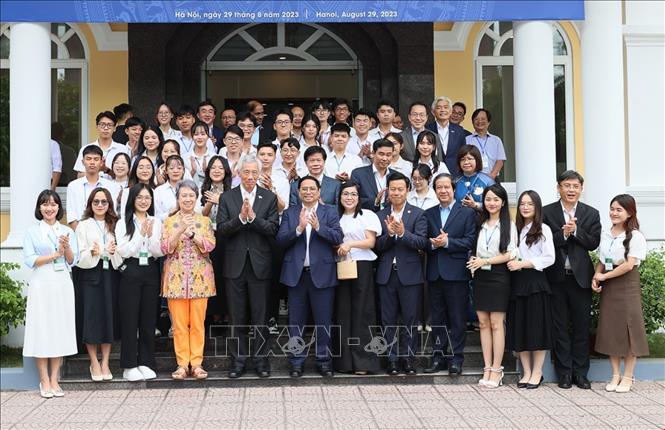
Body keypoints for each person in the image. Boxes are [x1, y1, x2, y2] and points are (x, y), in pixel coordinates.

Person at [217, 155, 279, 379]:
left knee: (260, 318)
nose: (250, 177)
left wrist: (253, 218)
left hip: (260, 265)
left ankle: (261, 361)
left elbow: (273, 228)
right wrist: (241, 219)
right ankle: (238, 361)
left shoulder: (269, 197)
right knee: (236, 317)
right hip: (234, 265)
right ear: (239, 173)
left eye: (254, 172)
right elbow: (222, 229)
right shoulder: (227, 197)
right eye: (247, 172)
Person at [277, 176, 343, 378]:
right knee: (296, 322)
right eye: (303, 189)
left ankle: (324, 361)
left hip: (322, 275)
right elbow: (280, 240)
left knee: (323, 321)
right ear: (298, 192)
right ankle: (296, 362)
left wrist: (318, 228)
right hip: (296, 275)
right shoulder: (290, 212)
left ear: (319, 191)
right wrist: (298, 228)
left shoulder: (329, 211)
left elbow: (338, 237)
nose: (307, 192)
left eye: (311, 189)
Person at [543, 170, 601, 390]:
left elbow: (593, 243)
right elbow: (542, 241)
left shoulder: (591, 213)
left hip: (580, 279)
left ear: (581, 189)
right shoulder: (547, 212)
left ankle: (581, 373)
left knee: (581, 326)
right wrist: (564, 234)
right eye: (566, 185)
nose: (571, 190)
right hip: (556, 277)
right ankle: (564, 373)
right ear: (559, 187)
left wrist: (576, 232)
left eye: (575, 186)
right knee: (559, 327)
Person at [23, 190, 78, 398]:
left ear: (58, 208)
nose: (49, 208)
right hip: (41, 282)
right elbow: (30, 259)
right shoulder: (32, 232)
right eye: (45, 204)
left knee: (59, 328)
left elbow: (73, 260)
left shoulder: (66, 231)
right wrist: (54, 254)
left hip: (62, 282)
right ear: (39, 207)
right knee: (42, 328)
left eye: (53, 204)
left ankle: (55, 378)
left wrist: (66, 247)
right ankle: (43, 380)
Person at [593, 194, 649, 393]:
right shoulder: (606, 233)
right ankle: (615, 375)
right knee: (611, 329)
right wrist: (596, 276)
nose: (614, 213)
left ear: (629, 212)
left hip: (626, 285)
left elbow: (628, 265)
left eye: (619, 210)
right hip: (608, 284)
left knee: (629, 330)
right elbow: (602, 259)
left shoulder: (635, 236)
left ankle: (628, 376)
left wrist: (605, 278)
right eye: (612, 208)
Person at [161, 180, 216, 380]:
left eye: (191, 195)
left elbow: (210, 246)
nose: (187, 199)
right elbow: (165, 248)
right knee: (179, 325)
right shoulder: (168, 221)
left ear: (196, 197)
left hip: (200, 279)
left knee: (198, 323)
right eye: (183, 195)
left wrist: (192, 234)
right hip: (175, 279)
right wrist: (179, 230)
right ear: (178, 198)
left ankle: (197, 363)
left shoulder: (204, 221)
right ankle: (182, 364)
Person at [375, 172, 428, 375]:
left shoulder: (418, 214)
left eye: (400, 189)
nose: (396, 192)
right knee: (387, 319)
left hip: (410, 275)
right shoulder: (380, 215)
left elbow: (422, 243)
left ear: (408, 190)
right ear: (387, 191)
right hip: (386, 274)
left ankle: (408, 359)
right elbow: (377, 246)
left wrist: (402, 233)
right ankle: (392, 360)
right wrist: (389, 234)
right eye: (393, 189)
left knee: (410, 319)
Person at [424, 173, 476, 377]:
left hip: (456, 273)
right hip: (435, 273)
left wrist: (447, 243)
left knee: (457, 319)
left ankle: (456, 359)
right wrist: (432, 243)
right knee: (437, 319)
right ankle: (437, 357)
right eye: (439, 187)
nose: (443, 191)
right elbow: (423, 241)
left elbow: (470, 241)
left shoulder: (466, 213)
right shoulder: (428, 214)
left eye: (447, 187)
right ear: (434, 190)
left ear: (454, 190)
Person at [467, 184, 517, 388]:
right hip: (480, 275)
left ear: (503, 202)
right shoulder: (481, 224)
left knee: (497, 323)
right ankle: (487, 367)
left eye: (496, 199)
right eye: (488, 199)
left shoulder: (509, 225)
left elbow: (511, 253)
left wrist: (485, 262)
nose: (492, 203)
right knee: (483, 324)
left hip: (498, 276)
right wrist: (475, 261)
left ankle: (497, 369)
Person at [506, 190, 555, 389]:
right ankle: (526, 372)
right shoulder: (515, 229)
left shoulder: (543, 229)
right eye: (522, 204)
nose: (525, 207)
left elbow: (549, 258)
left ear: (537, 207)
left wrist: (524, 264)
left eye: (530, 204)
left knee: (536, 329)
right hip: (517, 283)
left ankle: (537, 372)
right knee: (520, 329)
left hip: (535, 283)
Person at [115, 183, 163, 381]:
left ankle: (146, 362)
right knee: (129, 319)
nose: (144, 201)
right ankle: (129, 365)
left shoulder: (156, 221)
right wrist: (140, 235)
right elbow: (124, 251)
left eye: (147, 198)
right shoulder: (123, 223)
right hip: (131, 270)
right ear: (132, 200)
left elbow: (159, 251)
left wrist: (150, 238)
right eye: (140, 198)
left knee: (148, 319)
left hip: (150, 269)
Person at [334, 181, 382, 375]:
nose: (349, 198)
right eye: (345, 194)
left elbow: (371, 242)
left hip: (362, 265)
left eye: (353, 194)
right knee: (343, 312)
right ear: (339, 197)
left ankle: (364, 362)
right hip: (341, 265)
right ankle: (344, 362)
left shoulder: (367, 215)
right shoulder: (334, 216)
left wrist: (350, 244)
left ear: (359, 197)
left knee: (363, 312)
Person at [75, 187, 123, 382]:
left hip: (110, 274)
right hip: (91, 276)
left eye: (104, 202)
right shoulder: (83, 225)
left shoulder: (116, 225)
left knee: (109, 317)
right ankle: (94, 361)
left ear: (110, 204)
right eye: (96, 202)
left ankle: (105, 362)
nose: (100, 205)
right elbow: (79, 255)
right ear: (90, 204)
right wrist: (93, 253)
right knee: (92, 317)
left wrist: (112, 251)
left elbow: (122, 253)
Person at [200, 155, 232, 324]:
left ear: (226, 170)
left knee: (225, 274)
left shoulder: (233, 190)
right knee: (211, 275)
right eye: (213, 167)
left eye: (220, 167)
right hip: (207, 236)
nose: (217, 170)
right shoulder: (202, 188)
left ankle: (226, 311)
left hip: (226, 237)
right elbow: (200, 216)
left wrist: (222, 200)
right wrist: (211, 202)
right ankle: (213, 313)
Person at [66, 145, 121, 231]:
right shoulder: (73, 186)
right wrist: (81, 234)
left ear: (102, 162)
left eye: (96, 159)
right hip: (80, 233)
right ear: (82, 162)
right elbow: (71, 215)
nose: (92, 162)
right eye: (88, 159)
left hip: (106, 232)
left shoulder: (111, 186)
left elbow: (113, 212)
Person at [74, 111, 131, 178]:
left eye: (109, 125)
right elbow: (80, 175)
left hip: (116, 188)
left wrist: (106, 170)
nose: (106, 128)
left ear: (115, 128)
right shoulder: (85, 149)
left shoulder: (123, 149)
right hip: (92, 188)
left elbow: (128, 176)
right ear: (97, 126)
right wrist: (96, 170)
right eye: (102, 125)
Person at [350, 138, 395, 212]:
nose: (385, 158)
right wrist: (375, 201)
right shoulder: (358, 174)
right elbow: (352, 198)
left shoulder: (396, 175)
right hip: (365, 217)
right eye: (381, 154)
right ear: (373, 153)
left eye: (388, 155)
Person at [426, 96, 466, 177]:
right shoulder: (427, 130)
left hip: (455, 174)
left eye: (445, 107)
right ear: (433, 112)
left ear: (451, 111)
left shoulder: (459, 131)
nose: (442, 110)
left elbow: (463, 153)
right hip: (433, 173)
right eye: (439, 107)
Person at [466, 108, 506, 180]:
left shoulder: (496, 140)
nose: (479, 121)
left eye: (483, 119)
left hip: (493, 178)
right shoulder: (467, 140)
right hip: (473, 178)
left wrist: (492, 176)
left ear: (488, 122)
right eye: (476, 119)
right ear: (472, 122)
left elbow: (500, 160)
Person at [454, 145, 494, 210]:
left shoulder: (487, 181)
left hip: (481, 218)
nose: (466, 162)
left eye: (470, 159)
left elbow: (494, 203)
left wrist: (475, 205)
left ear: (477, 160)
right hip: (460, 218)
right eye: (462, 159)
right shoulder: (455, 181)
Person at [256, 142, 290, 214]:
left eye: (270, 155)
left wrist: (271, 188)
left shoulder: (282, 180)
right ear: (256, 156)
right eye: (262, 154)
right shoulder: (249, 177)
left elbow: (283, 208)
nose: (265, 158)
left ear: (275, 157)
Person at [154, 155, 186, 221]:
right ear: (166, 171)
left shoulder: (190, 189)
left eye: (179, 168)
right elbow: (156, 216)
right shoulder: (159, 191)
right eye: (171, 168)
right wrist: (169, 214)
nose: (175, 171)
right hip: (166, 228)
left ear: (183, 170)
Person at [185, 121, 217, 188]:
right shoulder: (184, 157)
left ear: (208, 136)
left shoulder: (215, 157)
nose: (199, 137)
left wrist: (206, 173)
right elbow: (182, 181)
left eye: (203, 134)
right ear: (192, 136)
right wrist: (193, 172)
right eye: (196, 134)